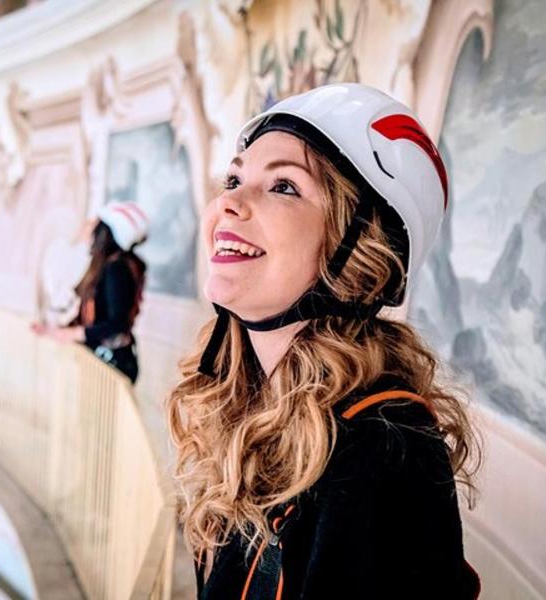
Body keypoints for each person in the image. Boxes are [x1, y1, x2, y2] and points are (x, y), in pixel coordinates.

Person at [167, 83, 482, 599]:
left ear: (357, 249)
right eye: (234, 179)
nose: (229, 202)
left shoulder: (383, 447)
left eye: (284, 186)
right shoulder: (246, 397)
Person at [33, 202, 148, 383]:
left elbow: (117, 323)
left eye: (97, 223)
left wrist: (72, 334)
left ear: (107, 231)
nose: (90, 227)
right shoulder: (115, 265)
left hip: (113, 365)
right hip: (110, 362)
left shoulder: (117, 268)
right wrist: (58, 331)